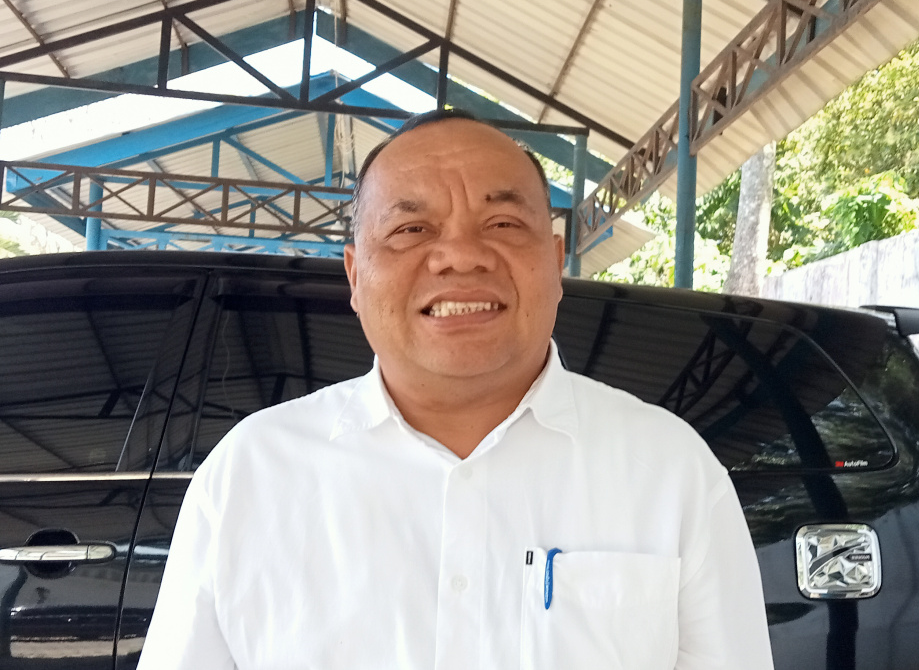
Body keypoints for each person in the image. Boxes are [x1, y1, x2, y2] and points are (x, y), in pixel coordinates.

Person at [138, 109, 775, 669]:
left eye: (503, 223)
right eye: (411, 230)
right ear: (355, 277)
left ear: (557, 263)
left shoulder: (669, 470)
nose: (461, 256)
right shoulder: (248, 476)